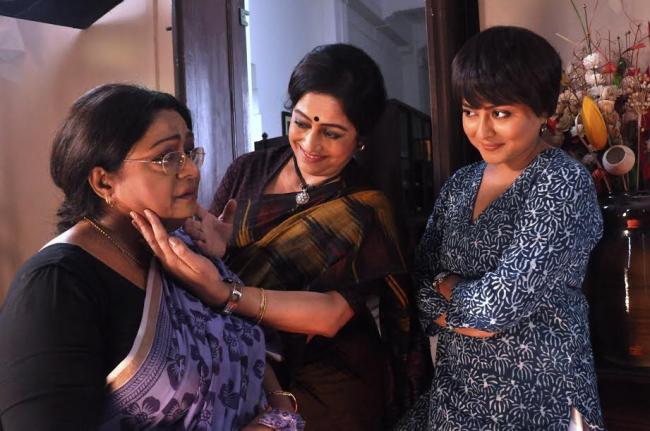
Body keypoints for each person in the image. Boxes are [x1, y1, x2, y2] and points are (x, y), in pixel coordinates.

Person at [131, 44, 428, 430]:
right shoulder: (248, 170)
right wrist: (221, 252)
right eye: (301, 123)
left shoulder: (366, 209)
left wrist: (227, 292)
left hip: (328, 382)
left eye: (332, 133)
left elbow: (330, 315)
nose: (310, 144)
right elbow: (214, 265)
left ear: (360, 139)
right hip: (242, 361)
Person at [0, 84, 304, 430]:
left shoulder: (183, 250)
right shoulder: (56, 286)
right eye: (167, 157)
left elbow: (240, 343)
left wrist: (280, 410)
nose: (191, 171)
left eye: (188, 152)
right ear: (103, 182)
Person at [396, 26, 605, 430]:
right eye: (470, 111)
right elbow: (419, 281)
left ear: (542, 110)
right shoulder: (460, 184)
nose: (482, 130)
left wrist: (449, 289)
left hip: (539, 399)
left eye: (501, 113)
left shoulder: (562, 181)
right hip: (456, 397)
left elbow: (497, 306)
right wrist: (450, 294)